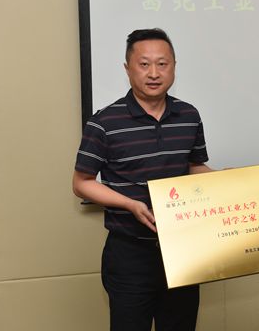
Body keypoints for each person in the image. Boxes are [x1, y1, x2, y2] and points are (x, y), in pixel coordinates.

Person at [72, 28, 213, 331]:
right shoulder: (104, 122)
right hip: (130, 253)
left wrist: (229, 182)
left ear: (174, 66)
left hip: (184, 249)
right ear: (128, 68)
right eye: (144, 64)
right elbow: (82, 183)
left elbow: (194, 167)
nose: (154, 73)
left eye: (162, 64)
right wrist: (130, 204)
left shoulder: (189, 115)